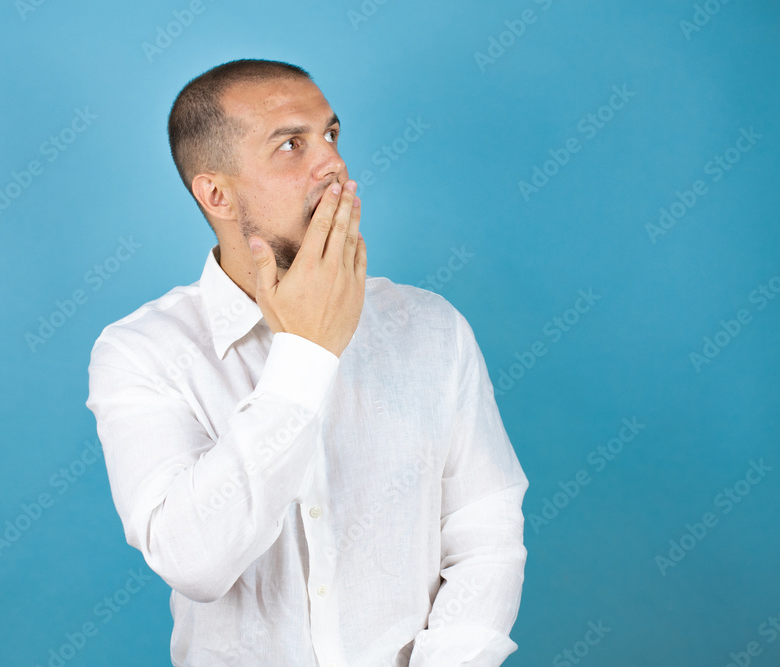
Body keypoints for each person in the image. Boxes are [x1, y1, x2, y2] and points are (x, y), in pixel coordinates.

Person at [86, 58, 528, 667]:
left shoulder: (431, 328)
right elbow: (194, 561)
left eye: (331, 135)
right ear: (215, 192)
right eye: (291, 144)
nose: (333, 164)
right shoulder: (143, 351)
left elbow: (487, 532)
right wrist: (306, 355)